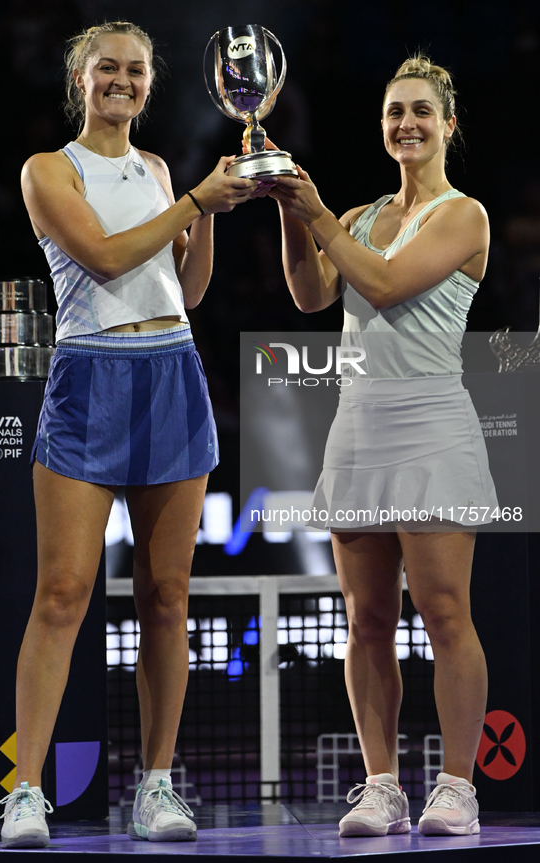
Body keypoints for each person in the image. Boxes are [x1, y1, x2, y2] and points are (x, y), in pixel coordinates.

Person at [0, 21, 257, 849]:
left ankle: (156, 785)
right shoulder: (48, 171)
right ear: (80, 79)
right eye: (106, 66)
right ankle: (27, 790)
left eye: (135, 70)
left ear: (148, 83)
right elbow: (104, 260)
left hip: (173, 374)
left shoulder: (159, 169)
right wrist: (192, 203)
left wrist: (209, 213)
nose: (121, 80)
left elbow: (188, 288)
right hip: (88, 381)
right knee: (63, 593)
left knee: (167, 598)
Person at [268, 55, 496, 837]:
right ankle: (380, 785)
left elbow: (389, 285)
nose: (406, 123)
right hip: (358, 424)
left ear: (447, 125)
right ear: (382, 126)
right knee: (364, 620)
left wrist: (318, 208)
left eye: (421, 112)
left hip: (433, 422)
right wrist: (287, 209)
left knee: (442, 610)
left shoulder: (465, 215)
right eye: (394, 111)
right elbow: (309, 293)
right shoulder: (362, 216)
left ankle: (457, 786)